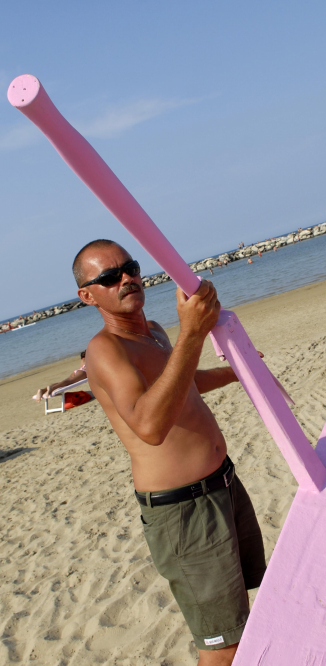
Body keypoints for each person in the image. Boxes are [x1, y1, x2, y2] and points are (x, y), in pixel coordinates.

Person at [72, 239, 265, 665]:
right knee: (222, 644)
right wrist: (193, 333)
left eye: (130, 268)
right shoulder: (105, 350)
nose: (125, 279)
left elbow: (182, 385)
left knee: (246, 614)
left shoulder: (156, 332)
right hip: (184, 511)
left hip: (223, 484)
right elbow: (150, 426)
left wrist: (236, 372)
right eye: (108, 277)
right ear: (88, 295)